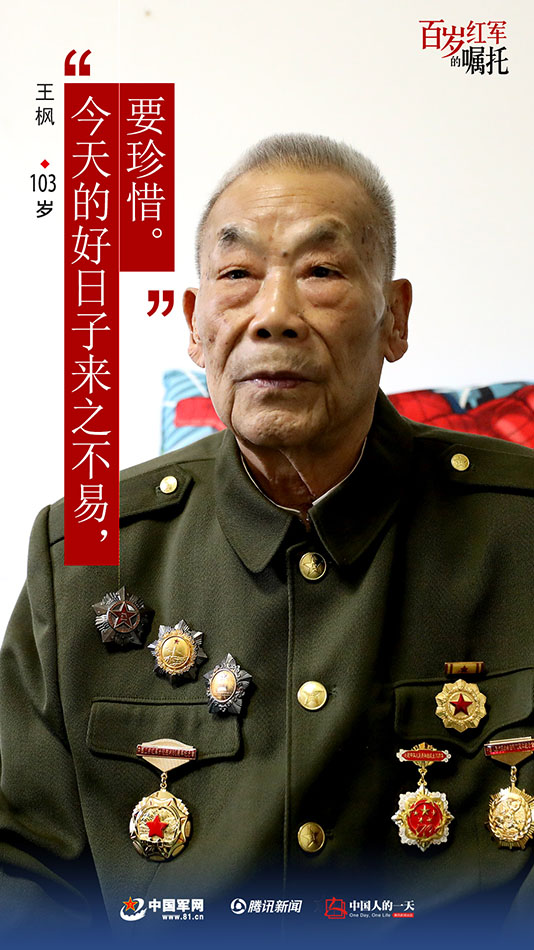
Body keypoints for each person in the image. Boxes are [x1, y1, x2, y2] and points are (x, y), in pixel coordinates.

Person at [1, 134, 533, 946]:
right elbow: (24, 864)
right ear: (194, 323)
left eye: (320, 271)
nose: (274, 315)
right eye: (237, 275)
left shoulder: (518, 529)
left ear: (394, 318)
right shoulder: (86, 547)